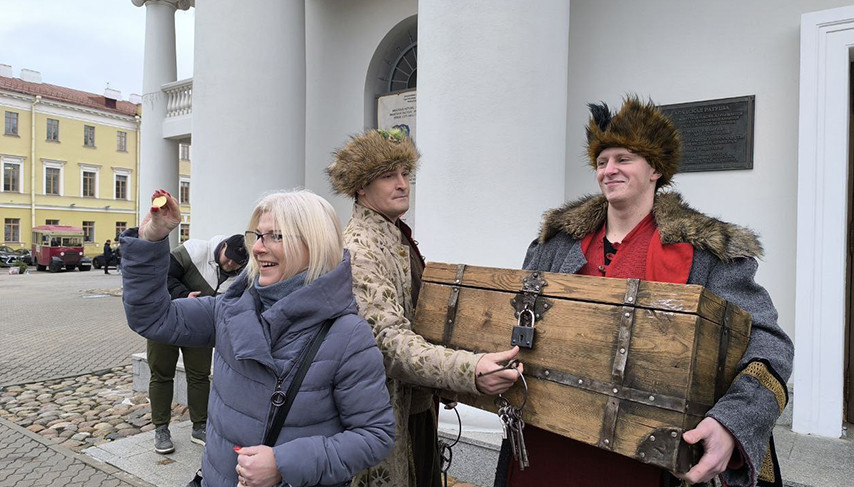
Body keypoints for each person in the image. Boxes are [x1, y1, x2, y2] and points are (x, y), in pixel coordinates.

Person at [493, 97, 793, 487]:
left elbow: (769, 344)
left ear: (655, 169)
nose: (609, 170)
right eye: (602, 162)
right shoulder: (553, 245)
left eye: (624, 159)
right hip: (547, 444)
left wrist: (730, 423)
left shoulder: (708, 252)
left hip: (646, 456)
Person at [121, 189, 395, 487]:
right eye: (258, 236)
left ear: (314, 244)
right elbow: (152, 317)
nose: (258, 248)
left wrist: (283, 464)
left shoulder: (348, 335)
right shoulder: (229, 309)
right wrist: (152, 239)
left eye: (275, 236)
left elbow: (375, 435)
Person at [328, 128, 523, 487]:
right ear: (360, 186)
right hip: (382, 414)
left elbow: (418, 322)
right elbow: (389, 344)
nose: (403, 184)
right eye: (389, 176)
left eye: (406, 174)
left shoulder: (394, 234)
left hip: (415, 407)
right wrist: (468, 371)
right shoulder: (359, 249)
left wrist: (445, 382)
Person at [147, 233, 249, 455]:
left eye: (237, 262)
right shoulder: (195, 250)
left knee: (199, 376)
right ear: (222, 246)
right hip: (165, 319)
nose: (230, 264)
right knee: (161, 374)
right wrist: (183, 295)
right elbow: (162, 274)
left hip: (199, 328)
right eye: (228, 257)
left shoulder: (241, 276)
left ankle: (200, 426)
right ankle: (161, 428)